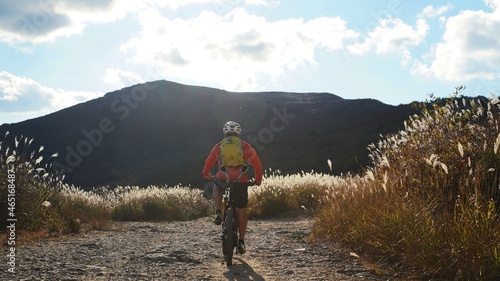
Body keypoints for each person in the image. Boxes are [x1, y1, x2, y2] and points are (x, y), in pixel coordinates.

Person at [202, 121, 262, 254]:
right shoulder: (244, 146)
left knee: (217, 187)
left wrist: (206, 174)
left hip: (223, 178)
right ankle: (241, 241)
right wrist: (258, 180)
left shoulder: (219, 146)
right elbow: (257, 163)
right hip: (241, 180)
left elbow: (209, 161)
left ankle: (218, 212)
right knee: (241, 210)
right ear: (238, 133)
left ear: (225, 132)